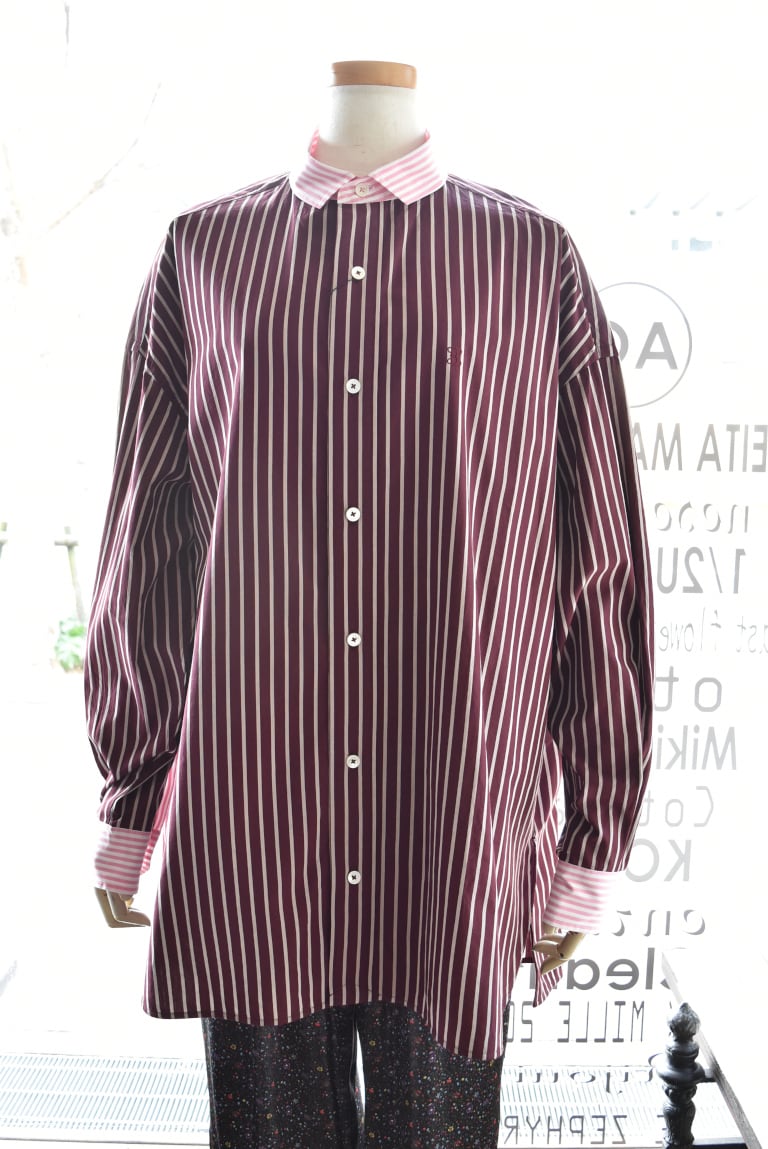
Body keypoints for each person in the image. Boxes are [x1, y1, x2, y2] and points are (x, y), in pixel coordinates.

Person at [85, 59, 654, 1148]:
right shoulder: (202, 253)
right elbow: (145, 546)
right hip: (257, 819)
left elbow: (600, 560)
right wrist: (131, 795)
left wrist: (590, 835)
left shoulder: (530, 258)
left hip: (454, 823)